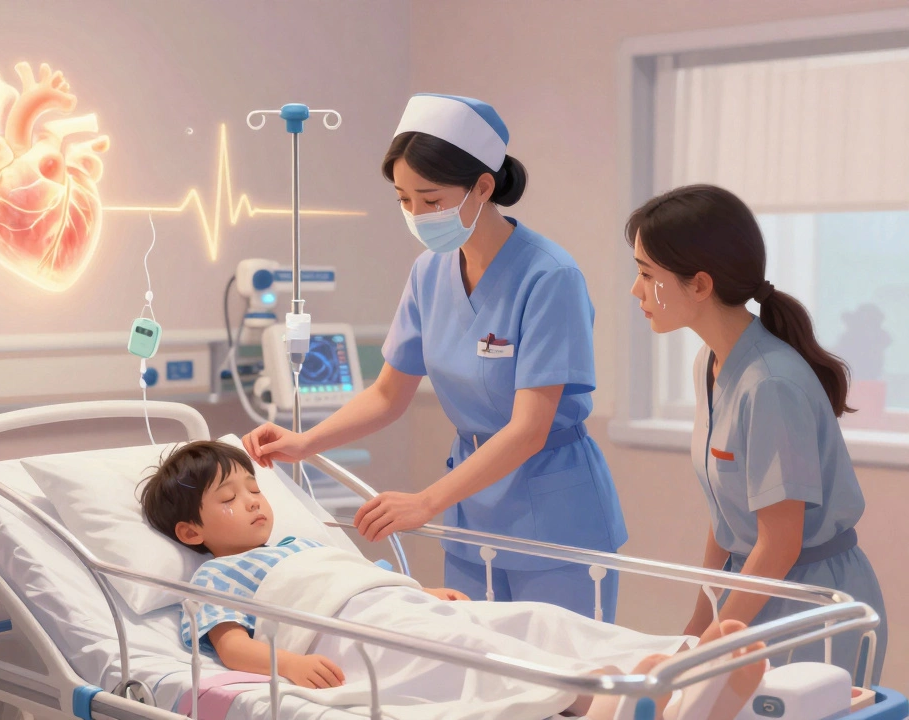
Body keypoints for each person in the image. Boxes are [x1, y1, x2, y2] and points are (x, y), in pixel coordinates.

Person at [242, 93, 627, 621]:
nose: (417, 215)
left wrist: (426, 502)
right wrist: (305, 443)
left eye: (431, 199)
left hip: (553, 512)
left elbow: (528, 430)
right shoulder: (429, 273)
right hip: (470, 509)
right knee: (477, 675)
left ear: (483, 187)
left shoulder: (549, 277)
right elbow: (387, 394)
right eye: (403, 200)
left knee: (564, 689)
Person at [139, 441, 768, 720]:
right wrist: (286, 667)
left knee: (537, 619)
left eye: (255, 487)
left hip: (393, 608)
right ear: (192, 533)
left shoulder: (303, 540)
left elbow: (357, 575)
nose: (253, 501)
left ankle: (674, 663)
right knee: (479, 654)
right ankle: (608, 702)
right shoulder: (218, 575)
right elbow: (231, 647)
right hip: (348, 638)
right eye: (230, 498)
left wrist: (418, 591)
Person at [627, 184, 887, 683]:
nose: (636, 290)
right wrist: (700, 620)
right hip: (754, 585)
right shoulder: (711, 362)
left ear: (699, 284)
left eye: (645, 274)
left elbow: (780, 542)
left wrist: (710, 644)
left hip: (806, 602)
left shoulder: (769, 384)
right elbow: (727, 512)